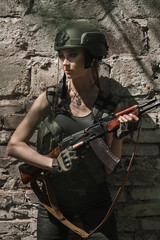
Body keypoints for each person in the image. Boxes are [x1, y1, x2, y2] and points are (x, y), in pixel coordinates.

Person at [6, 21, 139, 240]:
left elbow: (108, 168)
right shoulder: (50, 99)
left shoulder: (110, 107)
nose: (64, 63)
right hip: (54, 203)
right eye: (62, 56)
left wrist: (119, 136)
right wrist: (53, 163)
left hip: (96, 202)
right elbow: (14, 146)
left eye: (72, 55)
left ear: (92, 58)